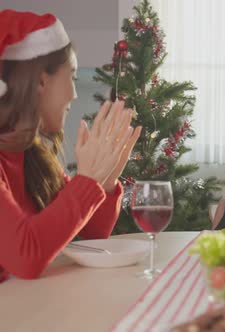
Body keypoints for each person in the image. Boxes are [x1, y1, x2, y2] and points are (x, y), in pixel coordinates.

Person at [0, 10, 142, 282]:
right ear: (41, 81)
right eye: (73, 77)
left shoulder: (32, 156)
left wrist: (106, 180)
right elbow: (26, 258)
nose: (75, 95)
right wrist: (88, 180)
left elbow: (91, 233)